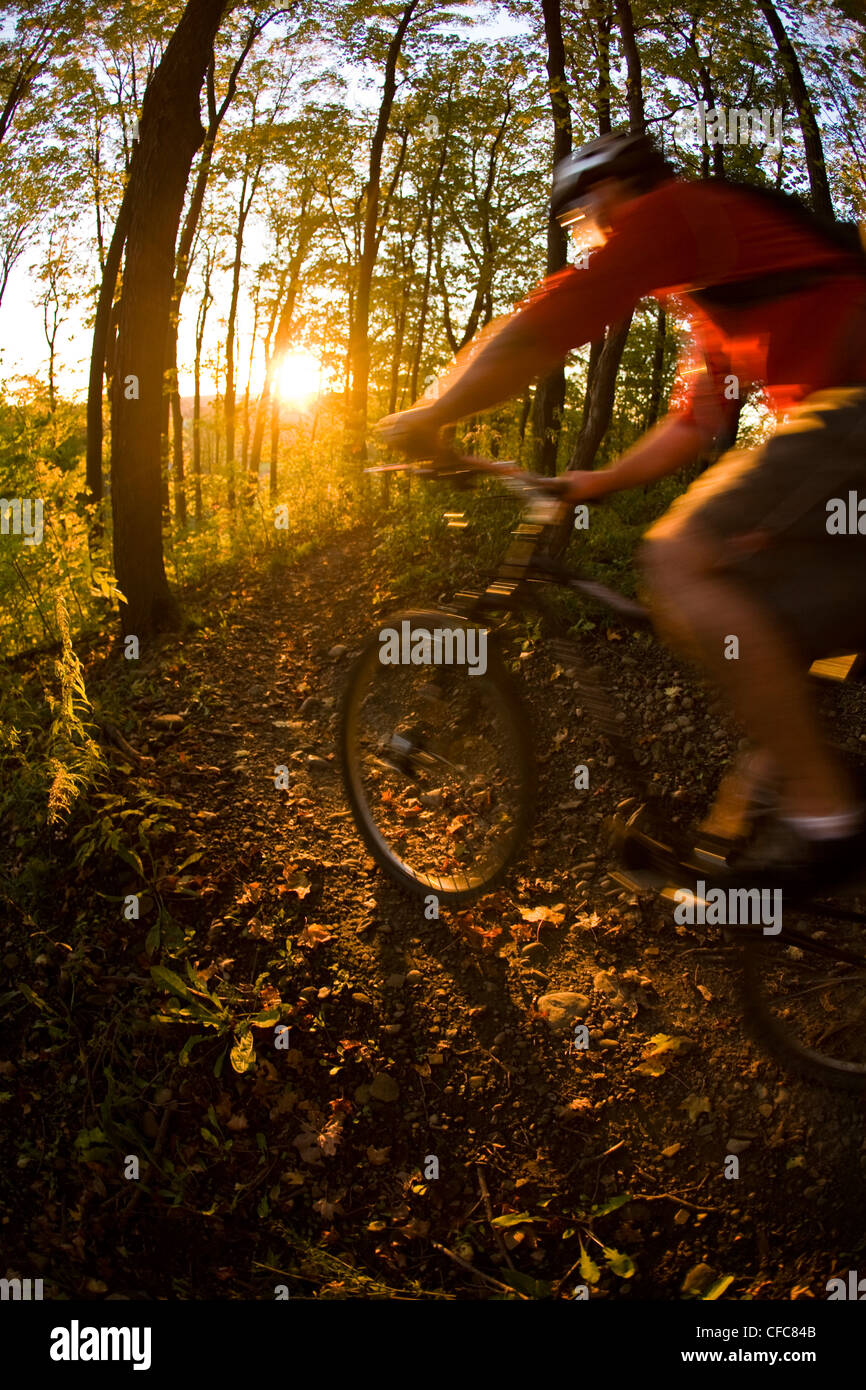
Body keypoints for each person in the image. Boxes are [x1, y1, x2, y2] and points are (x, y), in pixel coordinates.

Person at [376, 130, 866, 895]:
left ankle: (828, 822)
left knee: (677, 558)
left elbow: (563, 312)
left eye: (583, 218)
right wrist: (590, 482)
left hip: (853, 419)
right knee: (757, 604)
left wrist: (437, 413)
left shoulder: (679, 211)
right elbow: (695, 422)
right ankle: (772, 824)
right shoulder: (713, 292)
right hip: (840, 448)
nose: (589, 234)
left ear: (607, 190)